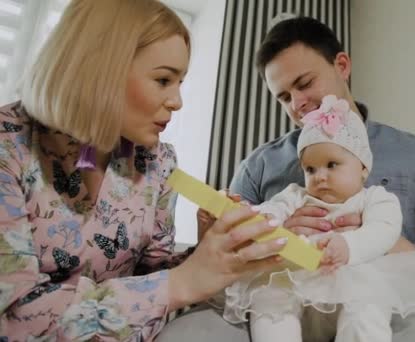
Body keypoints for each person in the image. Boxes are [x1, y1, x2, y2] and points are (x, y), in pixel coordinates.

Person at [0, 1, 286, 340]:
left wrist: (206, 253)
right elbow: (14, 318)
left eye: (180, 82)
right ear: (101, 68)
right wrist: (181, 282)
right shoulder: (9, 147)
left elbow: (154, 273)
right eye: (163, 79)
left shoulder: (157, 162)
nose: (177, 101)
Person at [225, 15, 415, 341]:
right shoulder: (259, 165)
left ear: (342, 65)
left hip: (378, 305)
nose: (296, 104)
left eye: (305, 83)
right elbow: (223, 256)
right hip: (286, 298)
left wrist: (392, 248)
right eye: (283, 97)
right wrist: (275, 237)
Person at [223, 94, 415, 342]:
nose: (320, 176)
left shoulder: (375, 198)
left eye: (332, 164)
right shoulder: (296, 195)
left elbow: (383, 230)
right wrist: (265, 218)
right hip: (299, 274)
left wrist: (349, 246)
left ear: (363, 168)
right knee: (269, 300)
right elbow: (273, 210)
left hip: (355, 272)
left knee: (368, 307)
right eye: (311, 169)